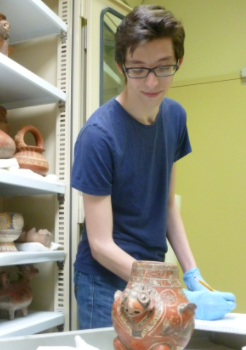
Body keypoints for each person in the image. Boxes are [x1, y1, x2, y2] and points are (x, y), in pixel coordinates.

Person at [71, 4, 236, 329]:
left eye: (163, 67)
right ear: (121, 66)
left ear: (179, 62)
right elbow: (101, 245)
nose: (151, 81)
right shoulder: (98, 136)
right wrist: (168, 287)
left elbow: (167, 205)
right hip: (104, 282)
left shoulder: (175, 117)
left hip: (152, 274)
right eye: (138, 68)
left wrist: (193, 276)